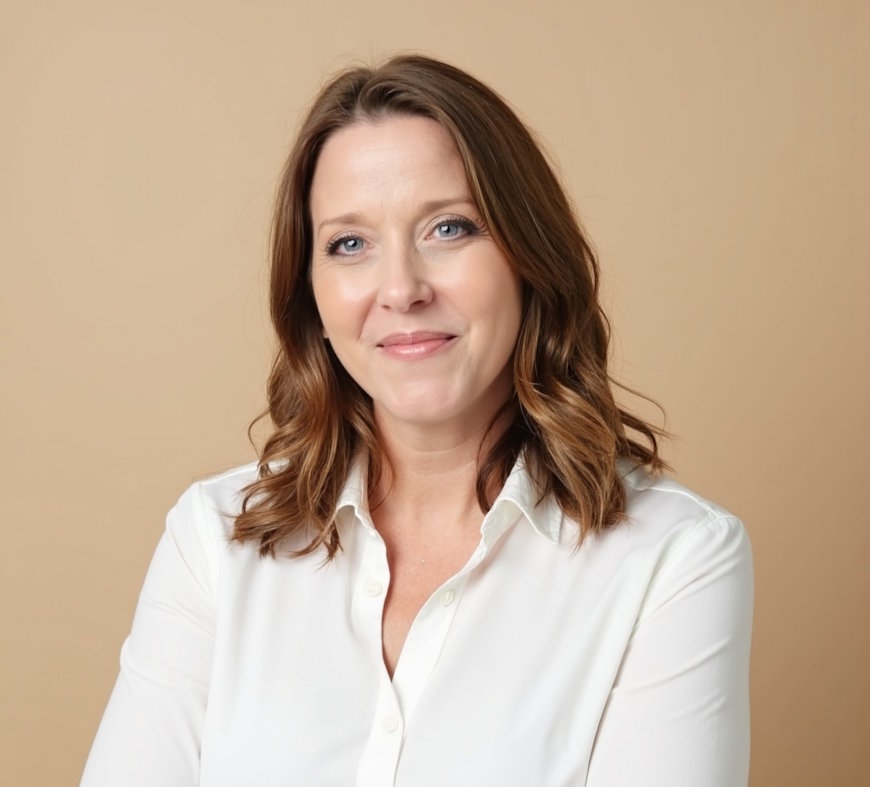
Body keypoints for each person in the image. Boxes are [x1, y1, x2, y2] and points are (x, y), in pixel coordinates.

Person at [81, 54, 753, 786]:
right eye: (349, 243)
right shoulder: (212, 541)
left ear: (530, 257)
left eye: (450, 228)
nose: (400, 288)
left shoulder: (673, 558)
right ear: (311, 292)